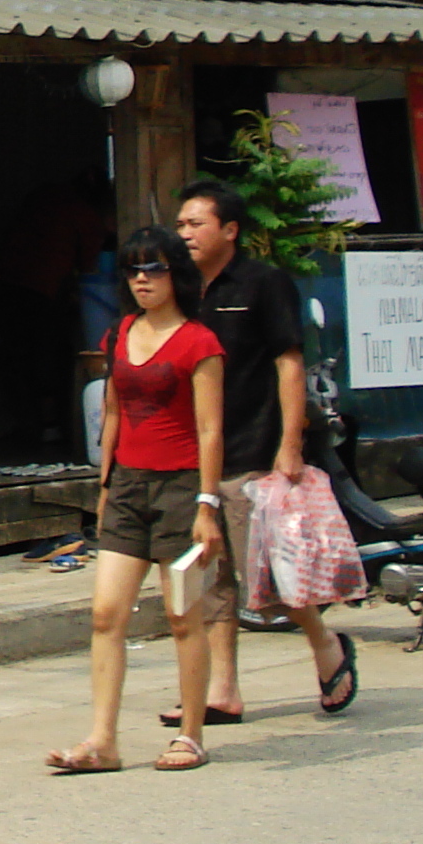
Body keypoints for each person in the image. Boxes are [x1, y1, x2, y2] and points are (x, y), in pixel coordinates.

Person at [175, 179, 357, 722]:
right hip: (197, 454)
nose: (184, 234)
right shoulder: (181, 290)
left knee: (275, 575)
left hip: (254, 447)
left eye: (196, 224)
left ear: (230, 230)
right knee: (211, 578)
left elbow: (289, 362)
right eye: (180, 225)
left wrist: (291, 443)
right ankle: (222, 690)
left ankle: (327, 646)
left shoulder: (263, 284)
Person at [49, 225, 224, 774]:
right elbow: (114, 415)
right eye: (133, 270)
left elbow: (210, 429)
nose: (143, 280)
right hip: (127, 484)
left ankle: (191, 735)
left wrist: (206, 505)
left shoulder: (200, 341)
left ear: (177, 275)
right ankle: (103, 740)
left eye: (155, 269)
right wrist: (103, 488)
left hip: (181, 487)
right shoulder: (120, 333)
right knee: (106, 614)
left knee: (181, 616)